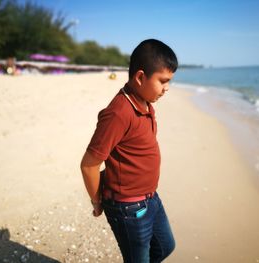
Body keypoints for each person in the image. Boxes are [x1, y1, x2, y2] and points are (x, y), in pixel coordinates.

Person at [80, 39, 178, 263]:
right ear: (141, 77)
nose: (167, 88)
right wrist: (97, 201)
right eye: (163, 81)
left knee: (165, 246)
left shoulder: (146, 102)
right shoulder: (118, 114)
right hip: (128, 208)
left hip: (151, 197)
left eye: (169, 81)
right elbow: (89, 165)